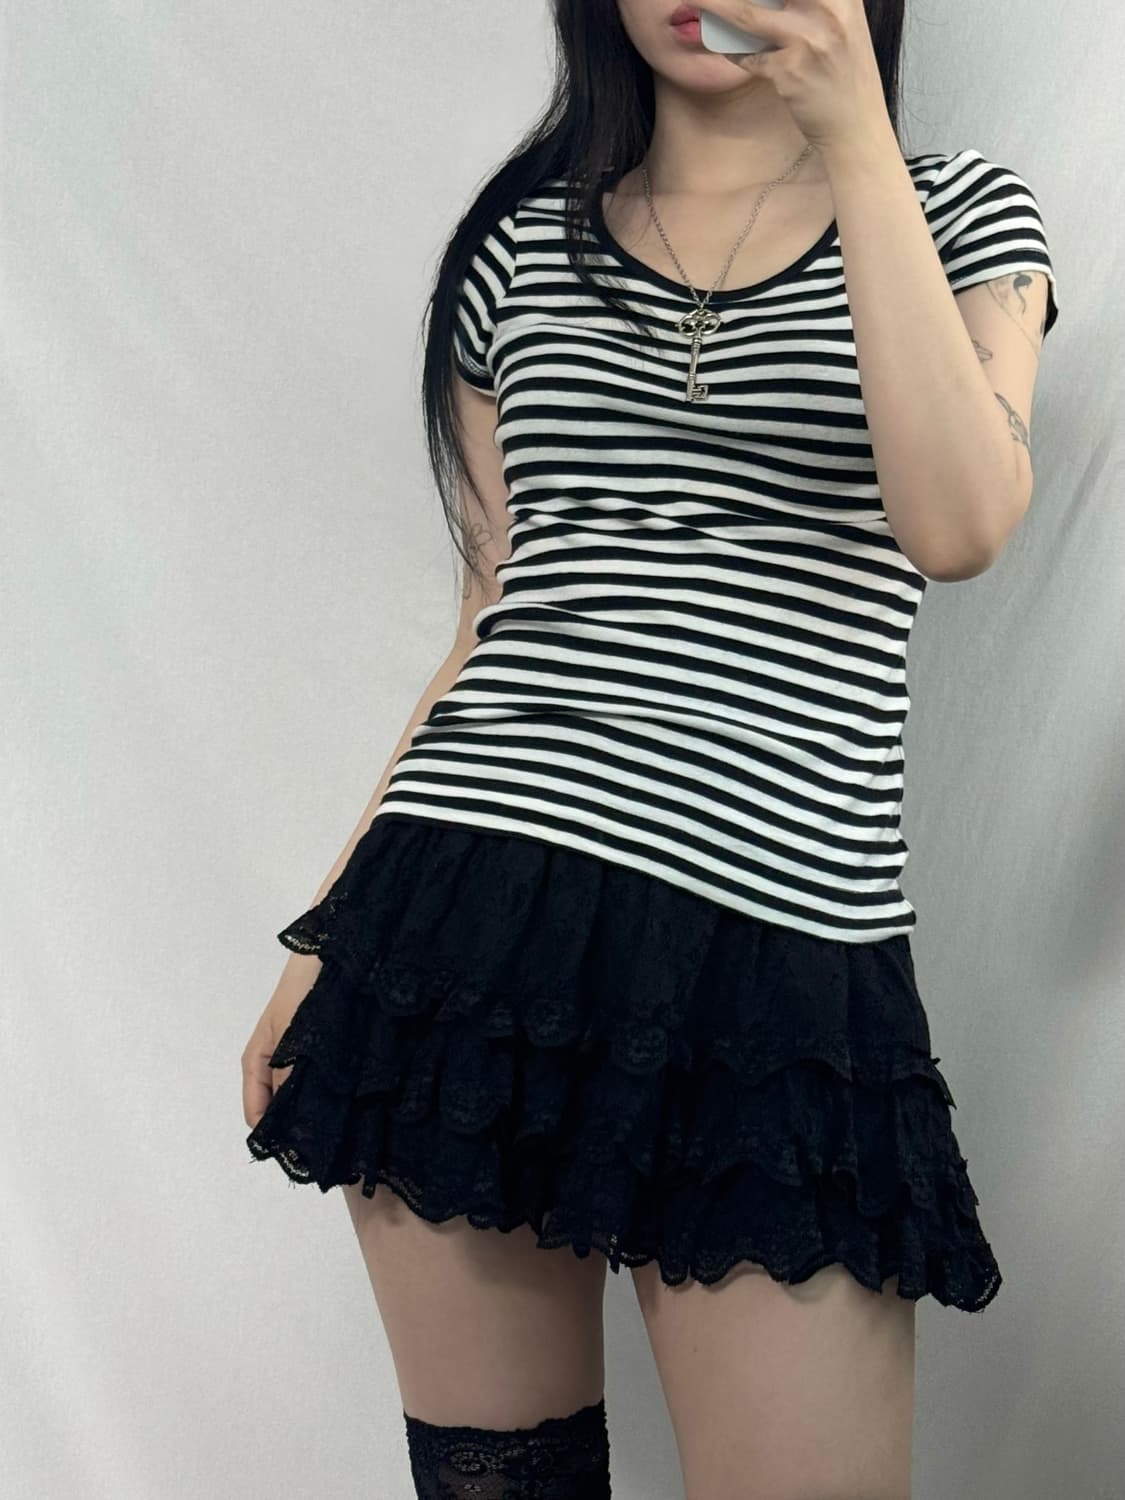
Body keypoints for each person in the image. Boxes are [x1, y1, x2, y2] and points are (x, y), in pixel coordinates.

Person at [241, 1, 1058, 1495]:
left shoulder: (954, 212)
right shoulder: (517, 248)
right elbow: (494, 614)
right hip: (470, 914)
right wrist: (327, 937)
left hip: (779, 941)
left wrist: (853, 137)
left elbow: (958, 525)